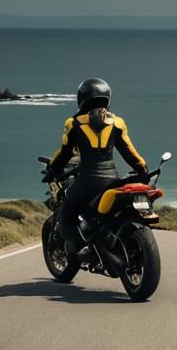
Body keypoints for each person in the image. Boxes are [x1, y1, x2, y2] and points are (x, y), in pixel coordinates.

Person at [44, 77, 149, 262]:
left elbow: (64, 153)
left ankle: (82, 249)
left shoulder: (74, 123)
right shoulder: (117, 123)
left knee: (66, 213)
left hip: (87, 182)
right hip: (112, 180)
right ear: (107, 98)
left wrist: (53, 169)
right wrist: (143, 170)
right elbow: (130, 153)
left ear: (81, 99)